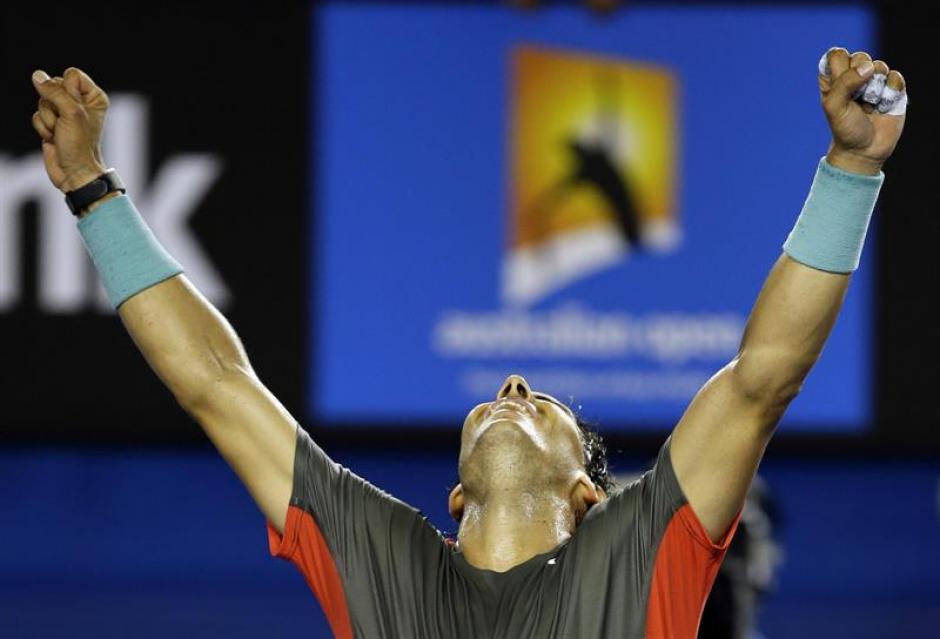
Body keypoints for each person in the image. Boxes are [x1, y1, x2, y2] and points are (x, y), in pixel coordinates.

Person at [28, 46, 906, 638]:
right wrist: (91, 192)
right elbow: (217, 383)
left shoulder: (638, 554)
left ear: (589, 495)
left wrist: (853, 168)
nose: (513, 383)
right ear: (452, 497)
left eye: (547, 405)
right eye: (511, 395)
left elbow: (763, 378)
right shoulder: (389, 562)